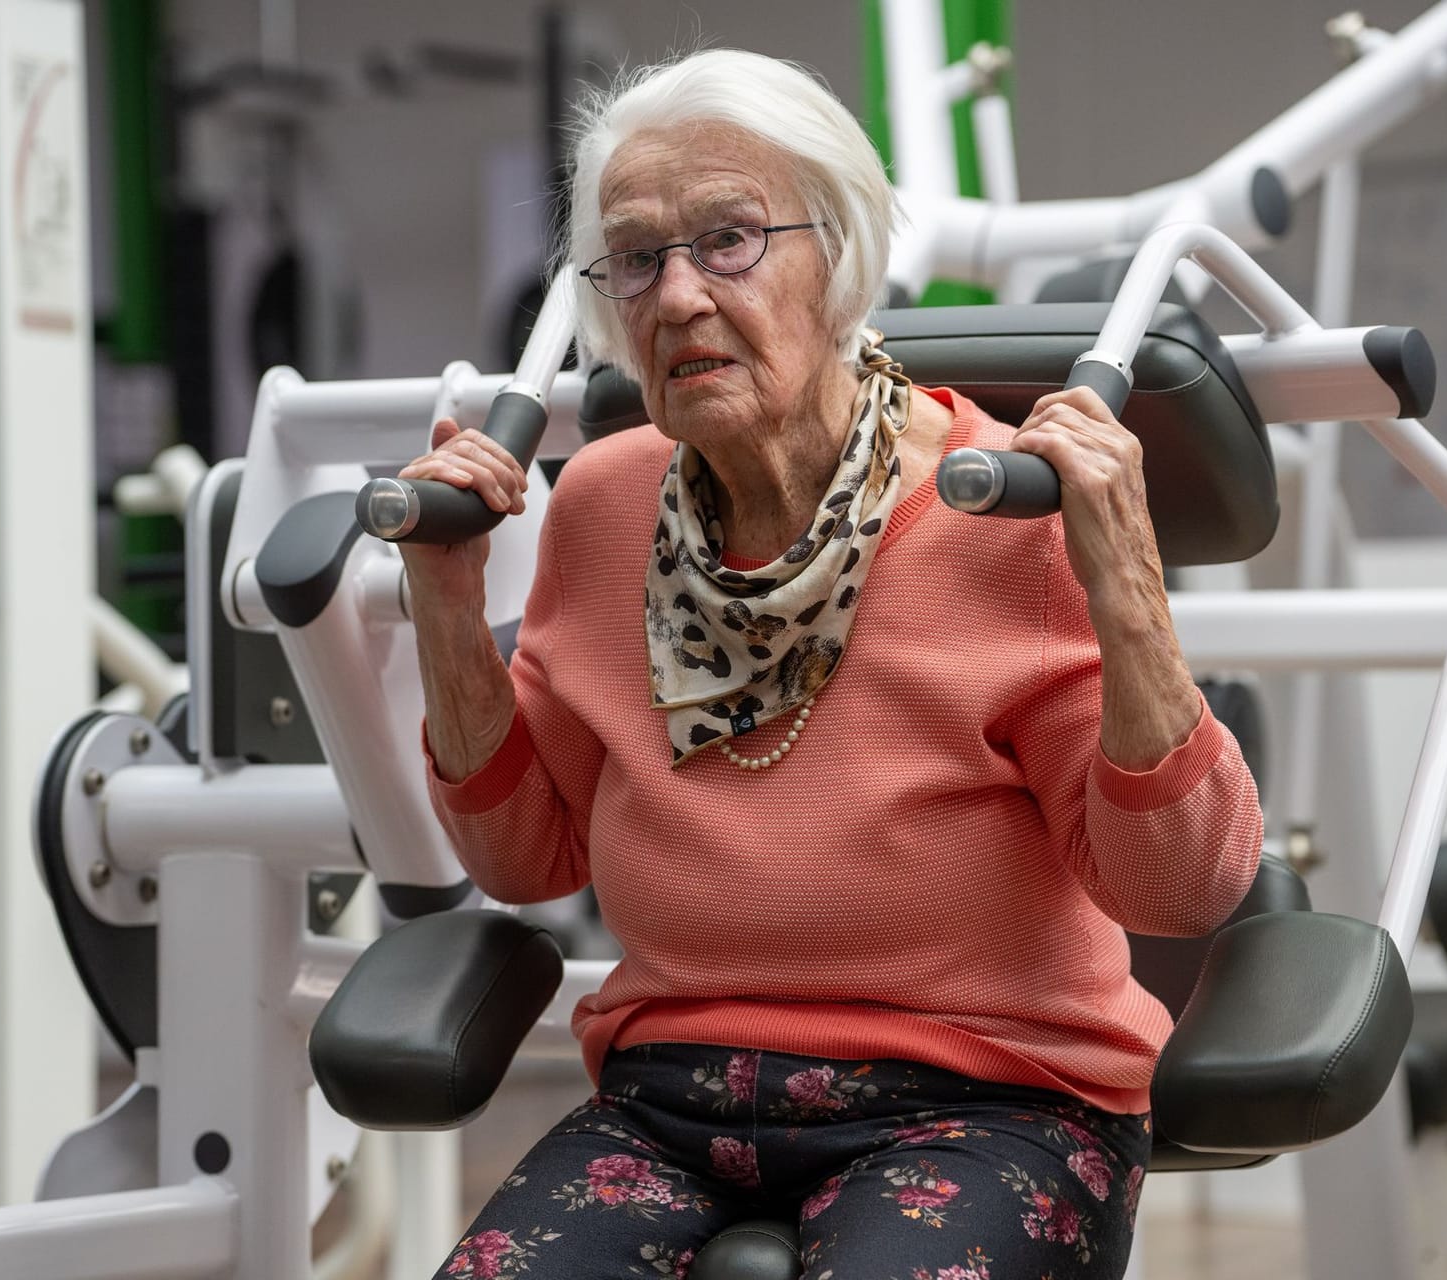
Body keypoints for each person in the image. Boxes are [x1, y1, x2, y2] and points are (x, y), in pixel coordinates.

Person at [403, 49, 1262, 1280]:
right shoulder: (599, 505)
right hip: (669, 1096)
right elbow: (525, 856)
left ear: (841, 252)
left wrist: (1124, 571)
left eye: (730, 239)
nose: (679, 296)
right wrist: (445, 601)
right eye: (637, 258)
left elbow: (1183, 887)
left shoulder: (1005, 504)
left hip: (989, 1096)